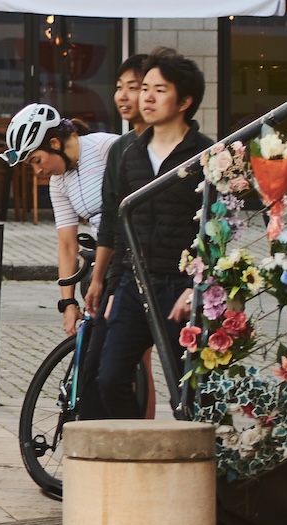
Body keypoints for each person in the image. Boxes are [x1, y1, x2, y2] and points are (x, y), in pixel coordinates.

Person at [80, 49, 208, 420]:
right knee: (110, 379)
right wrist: (111, 285)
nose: (146, 98)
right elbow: (120, 227)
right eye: (145, 88)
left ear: (184, 101)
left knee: (189, 390)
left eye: (159, 90)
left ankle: (203, 465)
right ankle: (139, 453)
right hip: (134, 286)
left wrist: (196, 286)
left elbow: (217, 227)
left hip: (180, 286)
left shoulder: (206, 154)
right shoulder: (130, 154)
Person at [6, 101, 109, 324]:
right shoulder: (59, 182)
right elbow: (67, 244)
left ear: (54, 143)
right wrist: (68, 303)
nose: (38, 171)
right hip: (104, 259)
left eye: (36, 160)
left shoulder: (104, 147)